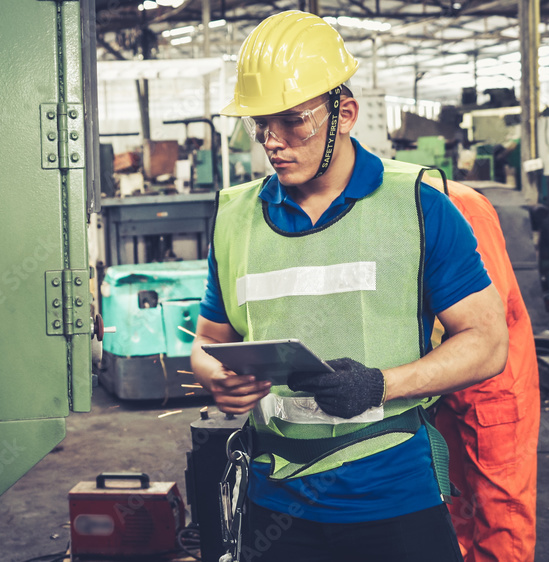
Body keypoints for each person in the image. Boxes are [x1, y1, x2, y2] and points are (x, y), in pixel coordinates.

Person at [191, 10, 508, 562]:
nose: (273, 141)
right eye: (259, 124)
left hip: (392, 496)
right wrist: (217, 378)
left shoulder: (419, 207)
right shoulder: (234, 218)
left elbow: (488, 343)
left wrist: (382, 384)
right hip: (275, 499)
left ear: (347, 113)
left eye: (293, 121)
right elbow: (206, 342)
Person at [430, 179, 541, 562]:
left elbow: (484, 311)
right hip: (444, 379)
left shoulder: (462, 207)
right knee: (454, 501)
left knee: (501, 511)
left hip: (495, 384)